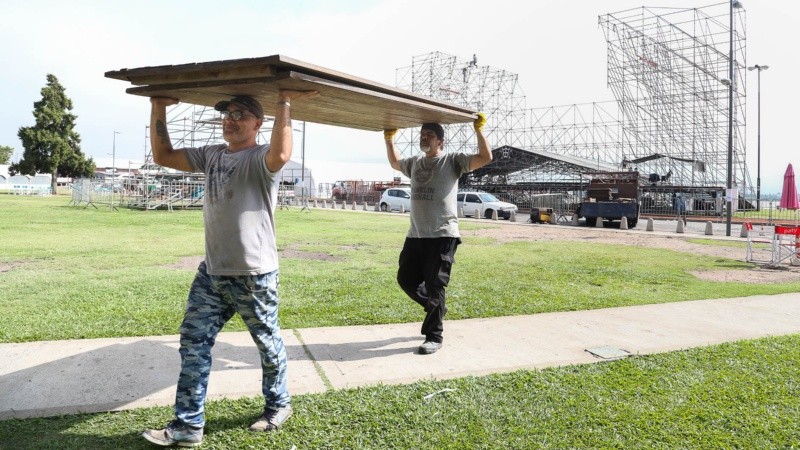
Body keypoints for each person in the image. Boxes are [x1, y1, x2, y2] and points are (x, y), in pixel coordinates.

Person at [142, 89, 318, 447]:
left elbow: (282, 152)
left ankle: (278, 404)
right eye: (227, 114)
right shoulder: (211, 155)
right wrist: (157, 105)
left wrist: (283, 100)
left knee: (267, 343)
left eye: (240, 114)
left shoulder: (259, 159)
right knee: (193, 343)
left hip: (254, 274)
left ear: (258, 123)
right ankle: (188, 425)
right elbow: (162, 154)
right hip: (212, 273)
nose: (231, 119)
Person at [384, 114, 492, 355]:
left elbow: (485, 157)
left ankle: (434, 335)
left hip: (443, 234)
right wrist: (389, 139)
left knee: (436, 286)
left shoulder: (452, 161)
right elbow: (394, 163)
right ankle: (436, 307)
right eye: (422, 135)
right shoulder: (415, 163)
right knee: (405, 279)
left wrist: (479, 130)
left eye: (429, 135)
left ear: (441, 141)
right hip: (416, 235)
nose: (424, 138)